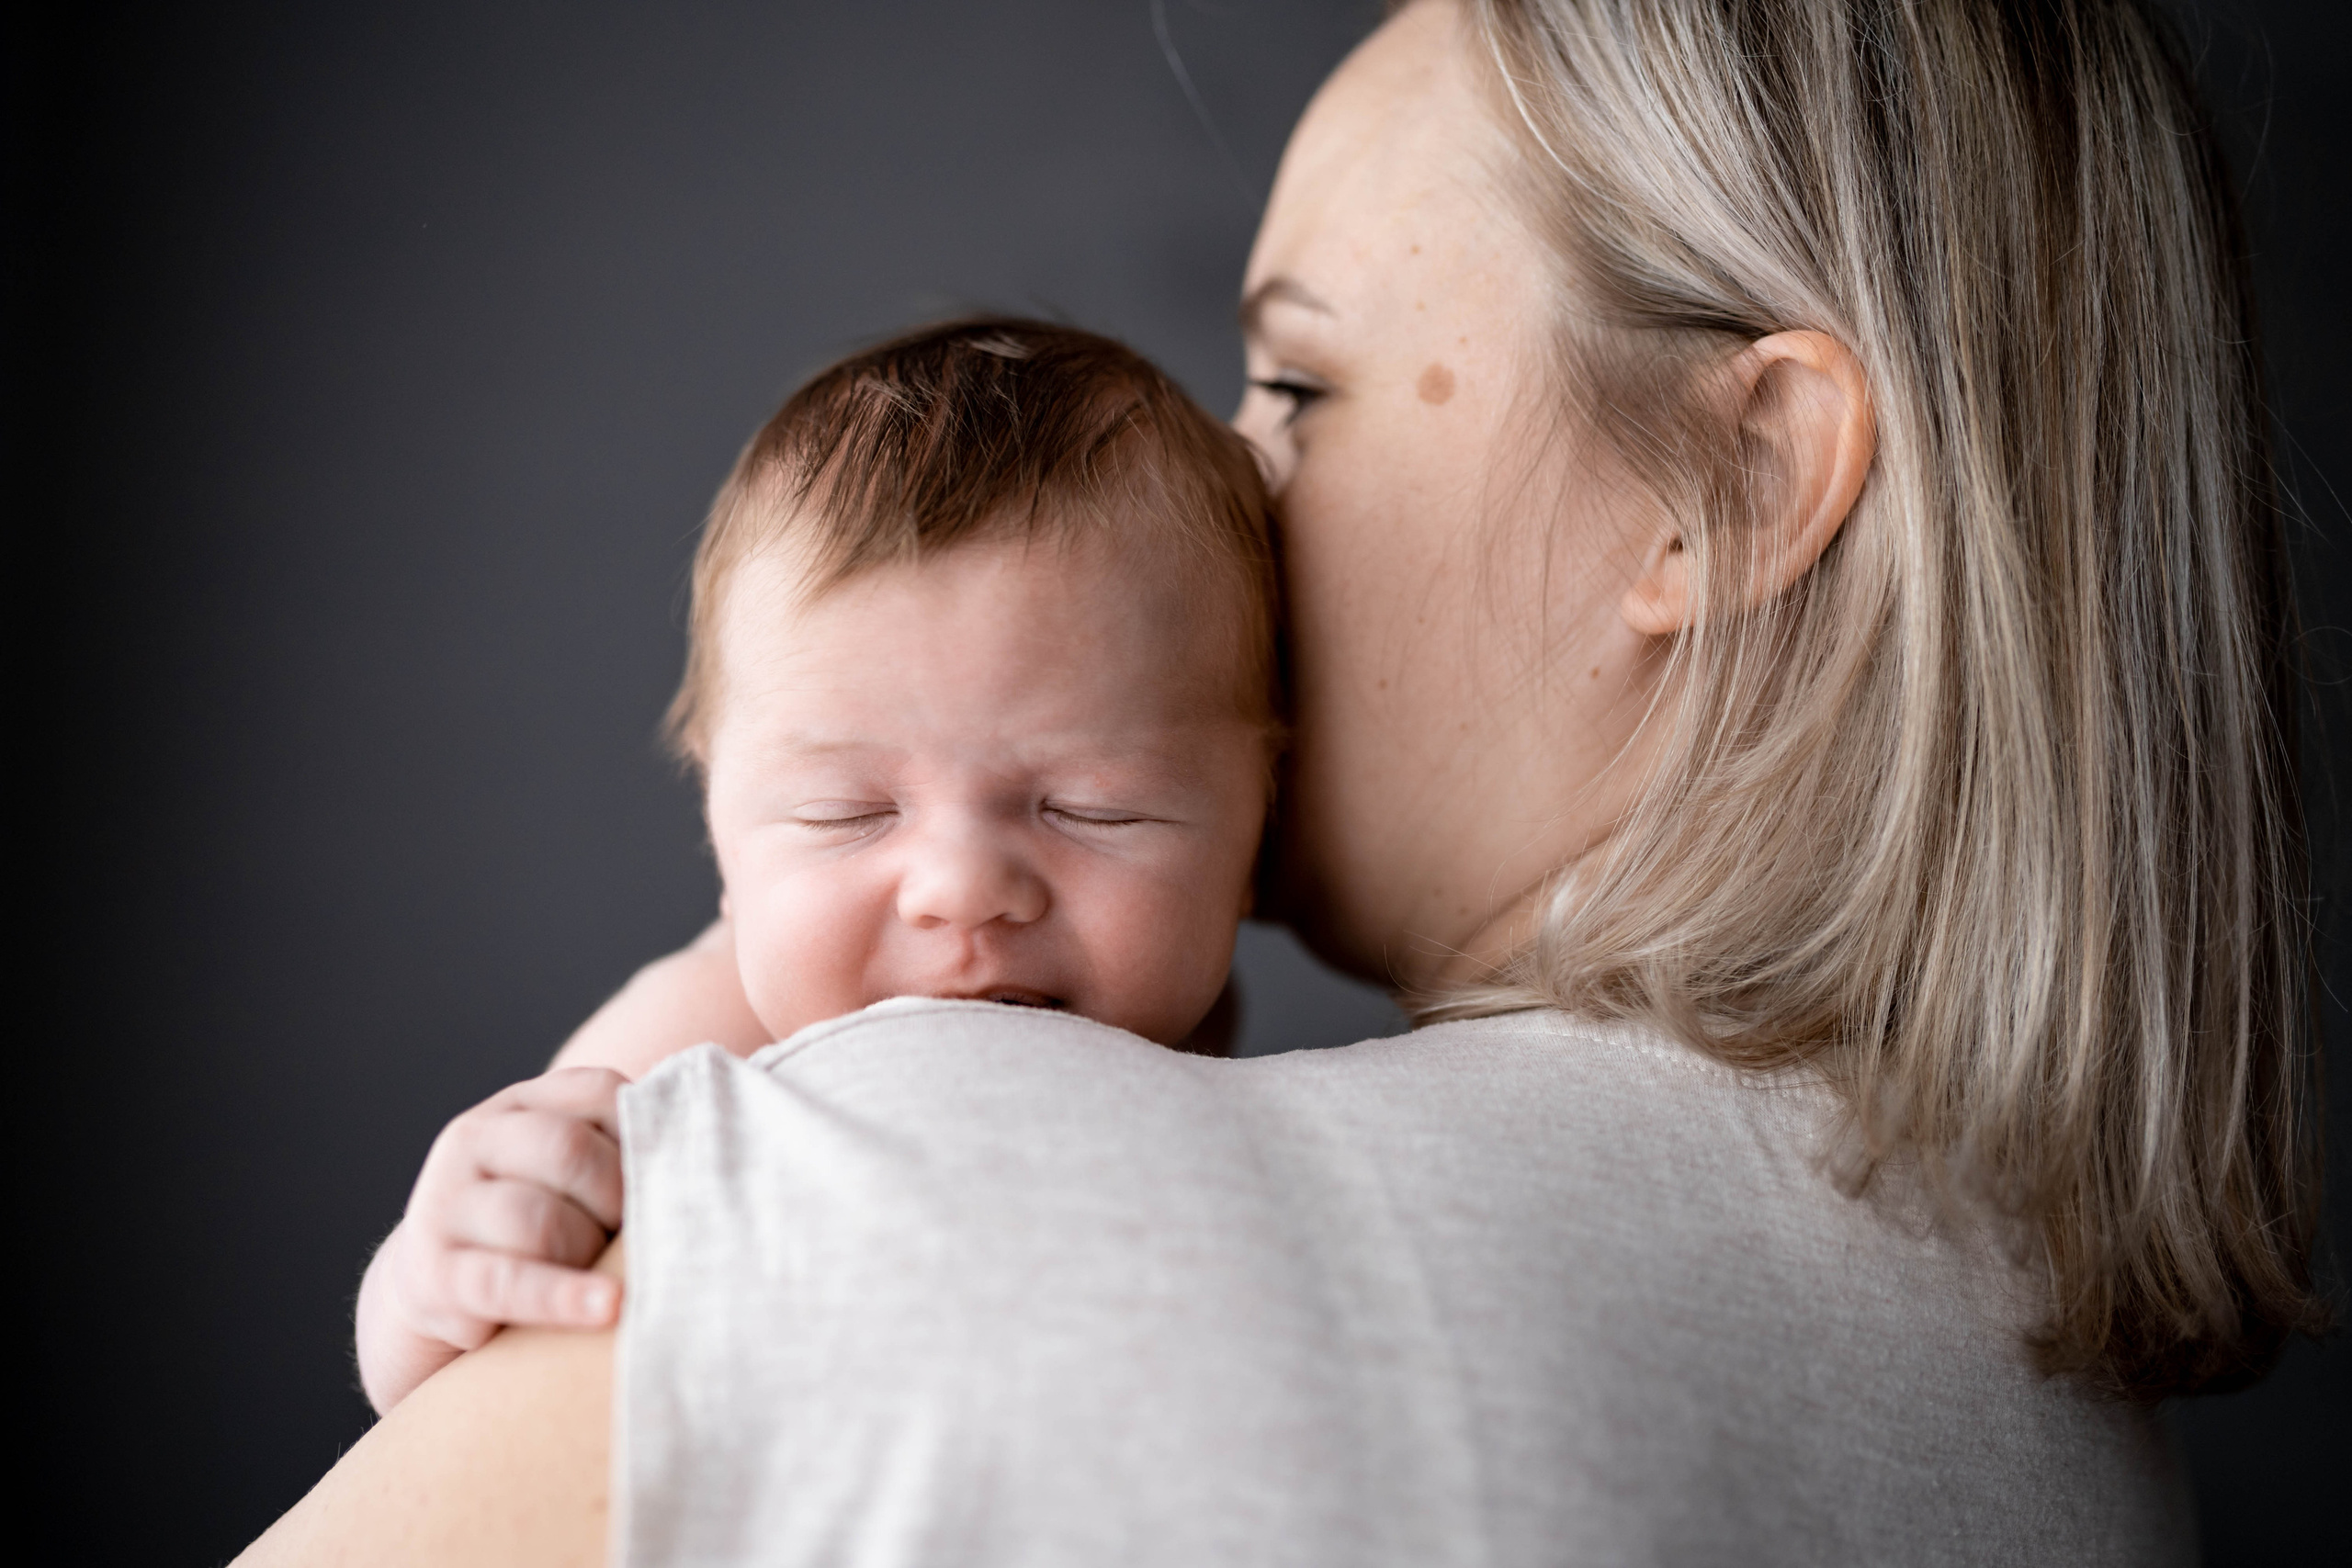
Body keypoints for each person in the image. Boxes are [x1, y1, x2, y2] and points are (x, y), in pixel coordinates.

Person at [240, 0, 2327, 1562]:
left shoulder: (904, 1176)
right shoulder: (2059, 1431)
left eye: (1298, 383)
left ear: (1731, 482)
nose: (1224, 478)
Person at [354, 318, 1282, 1413]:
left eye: (1092, 809)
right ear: (722, 832)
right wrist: (423, 1288)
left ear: (1260, 819)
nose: (960, 890)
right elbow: (453, 1388)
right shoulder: (689, 1054)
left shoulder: (1185, 1024)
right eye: (848, 813)